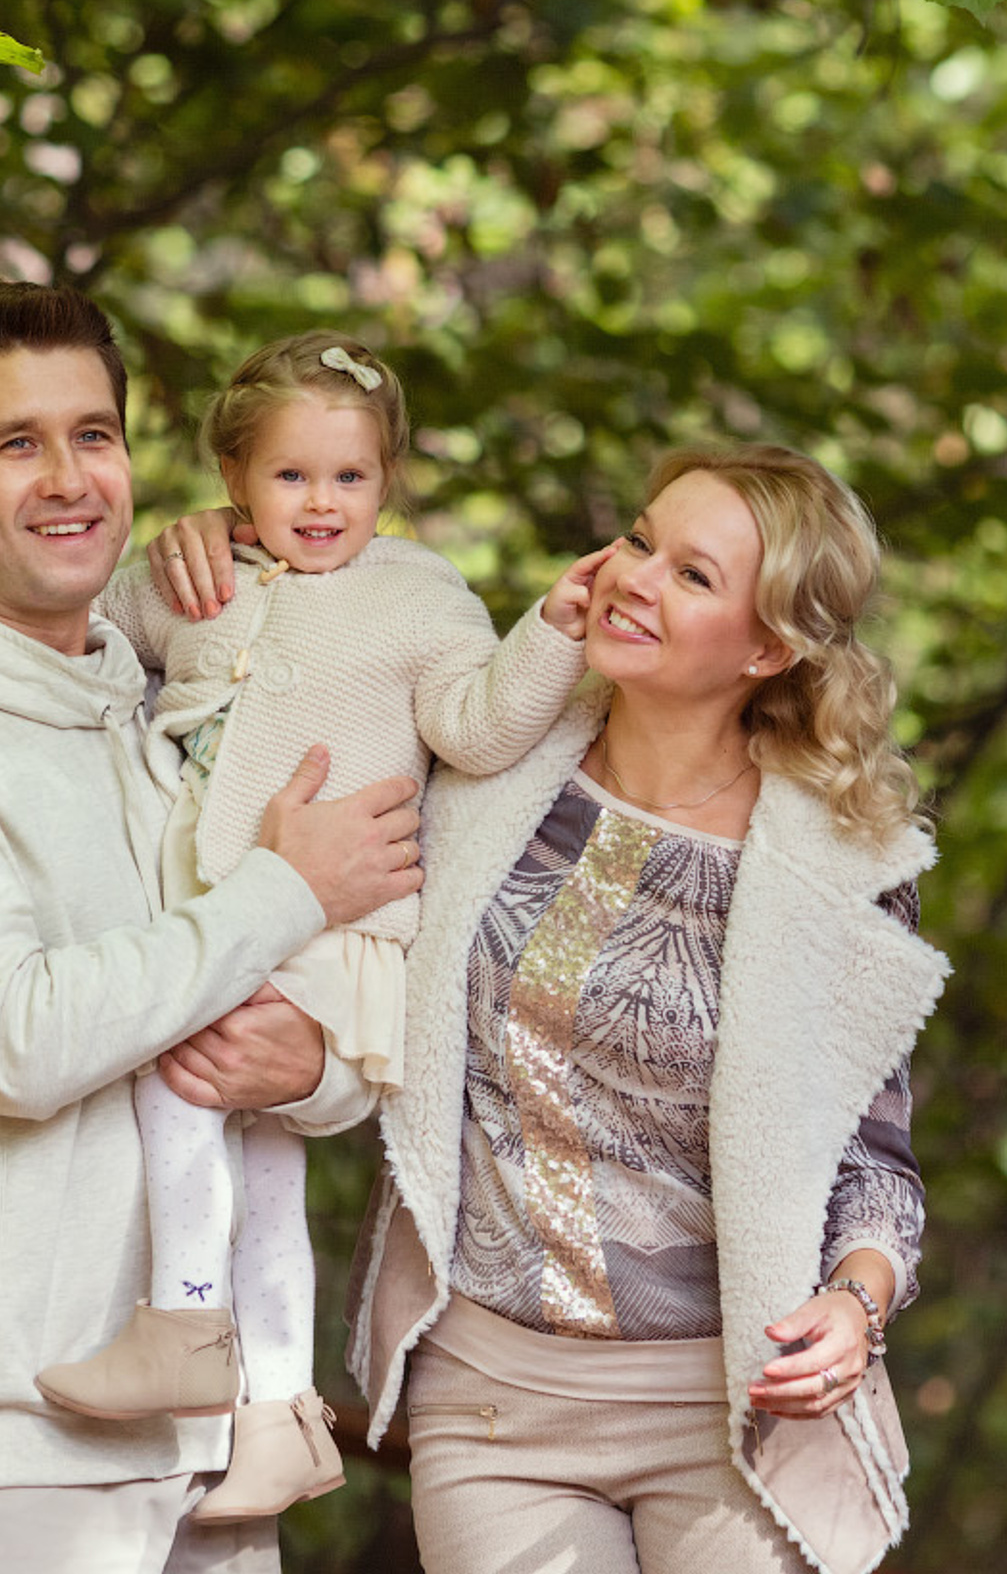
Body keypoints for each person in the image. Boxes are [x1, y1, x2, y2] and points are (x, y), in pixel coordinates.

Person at [0, 283, 426, 1574]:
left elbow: (267, 1001)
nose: (71, 479)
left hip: (208, 1458)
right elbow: (15, 1038)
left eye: (95, 435)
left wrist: (316, 1069)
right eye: (17, 444)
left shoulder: (167, 710)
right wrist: (289, 890)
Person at [337, 442, 952, 1574]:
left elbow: (870, 1158)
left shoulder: (841, 866)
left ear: (770, 647)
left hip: (733, 1408)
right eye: (639, 539)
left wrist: (855, 1310)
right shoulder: (482, 772)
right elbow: (306, 643)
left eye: (694, 574)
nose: (635, 577)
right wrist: (220, 546)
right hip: (491, 1407)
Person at [33, 331, 614, 1526]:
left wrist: (550, 627)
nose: (322, 503)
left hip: (330, 920)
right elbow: (103, 644)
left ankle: (185, 1326)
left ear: (387, 481)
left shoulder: (416, 594)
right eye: (291, 476)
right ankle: (283, 1416)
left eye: (351, 478)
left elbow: (480, 727)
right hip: (226, 904)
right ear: (237, 478)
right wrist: (169, 544)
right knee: (267, 1166)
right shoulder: (203, 574)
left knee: (175, 1080)